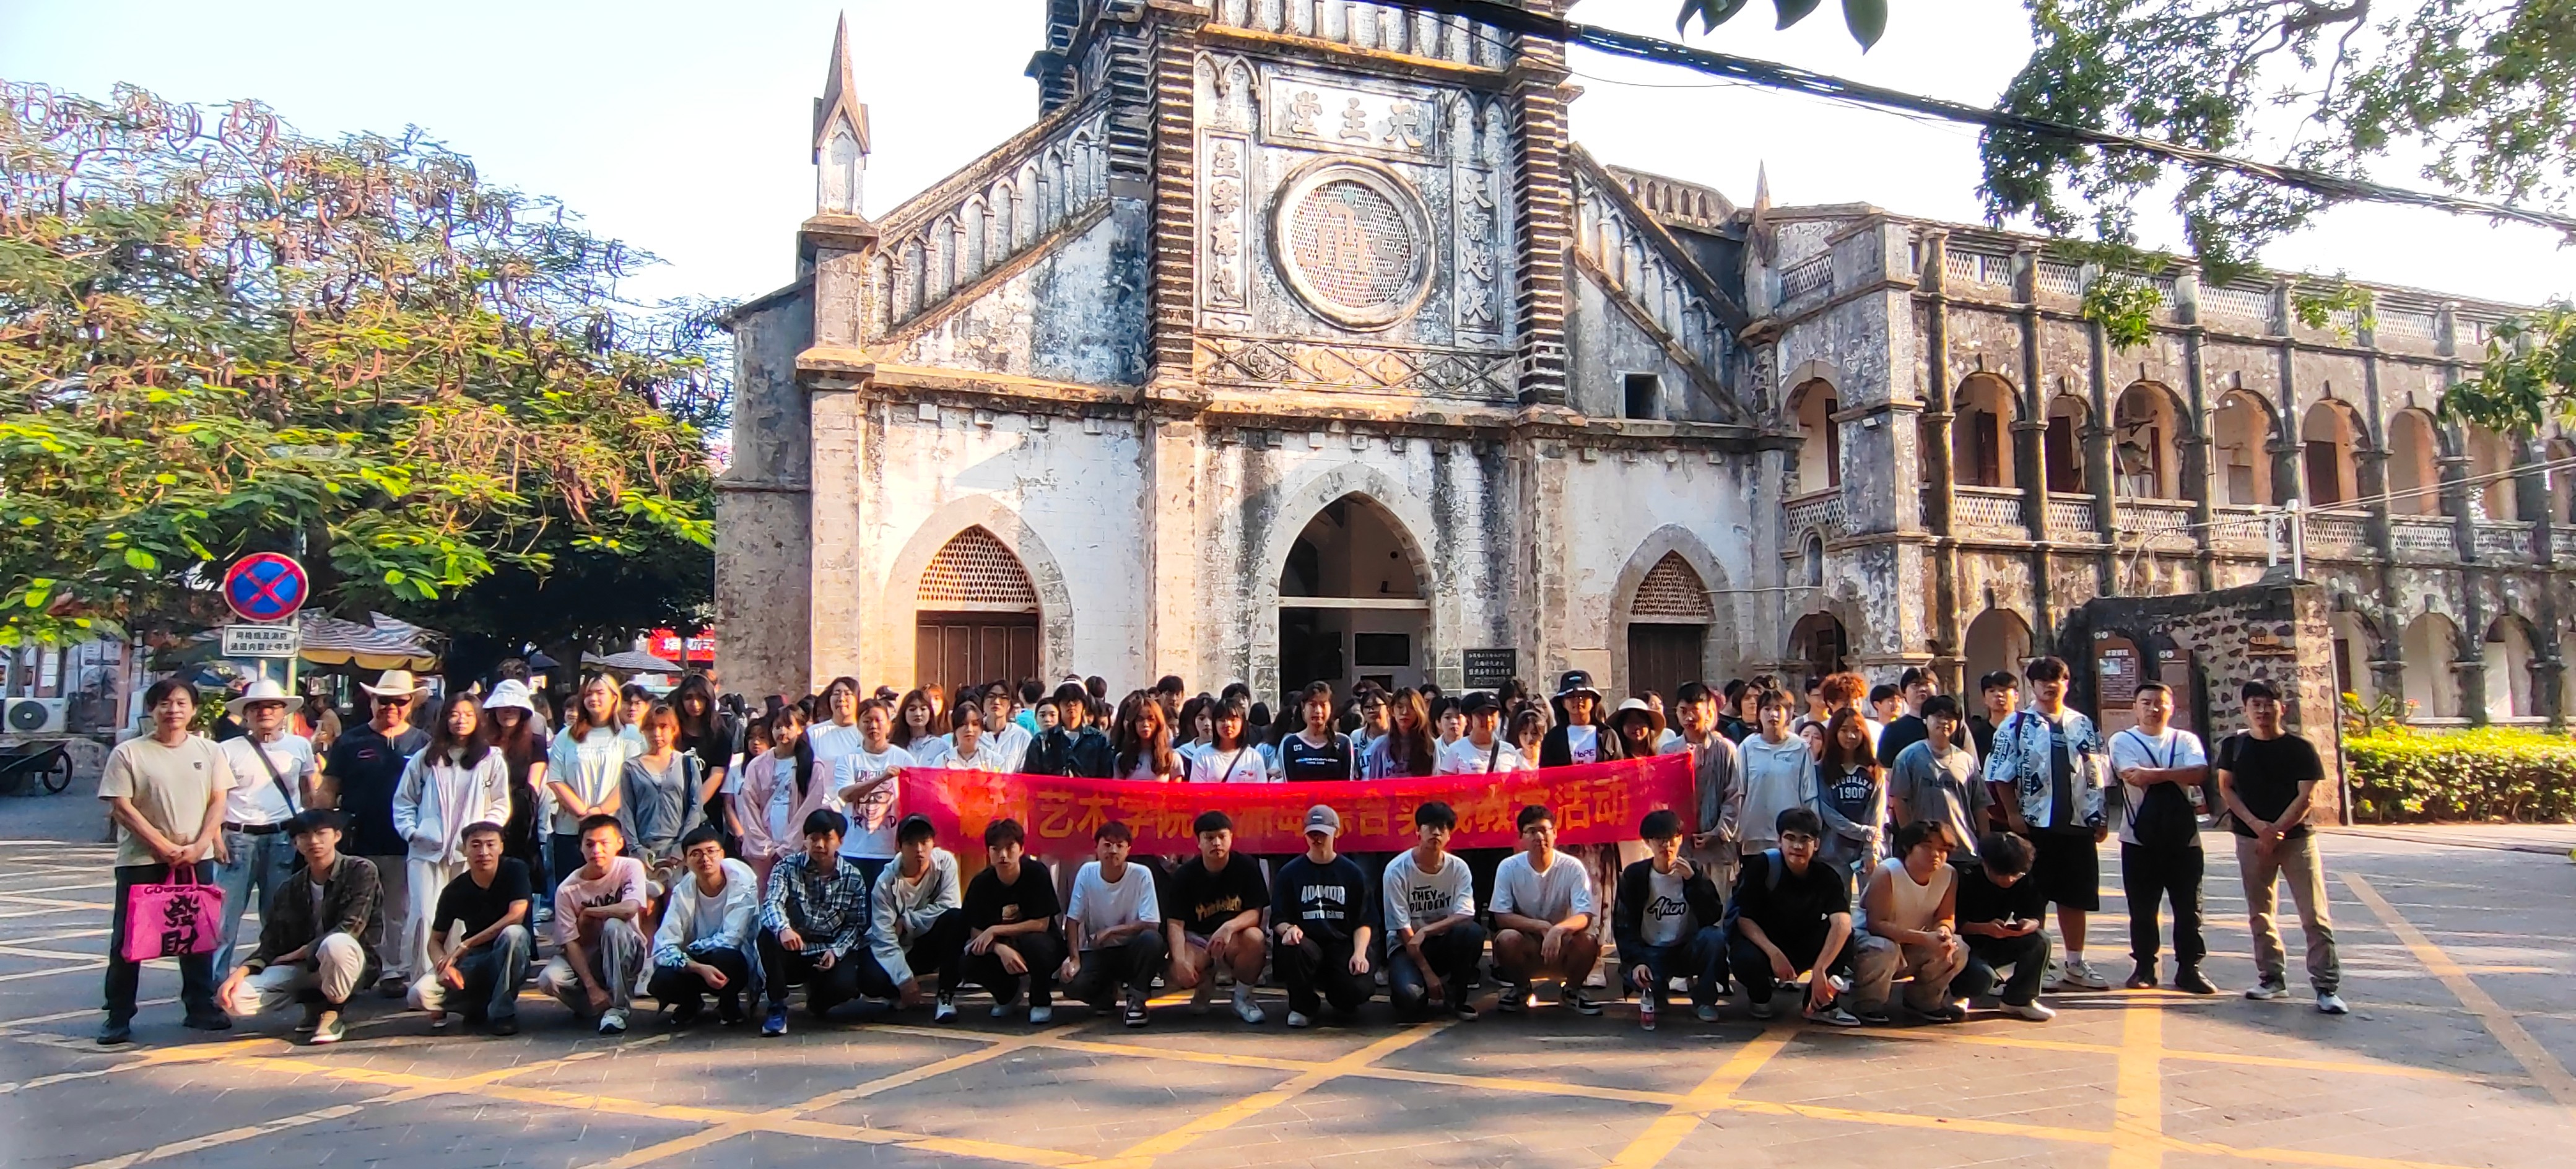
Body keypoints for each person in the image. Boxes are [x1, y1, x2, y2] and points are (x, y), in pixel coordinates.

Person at [98, 677, 236, 1044]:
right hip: (142, 859)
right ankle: (118, 1015)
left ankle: (200, 1007)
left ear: (193, 710)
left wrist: (202, 844)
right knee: (130, 939)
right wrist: (161, 844)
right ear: (152, 709)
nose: (173, 710)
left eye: (180, 703)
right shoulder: (129, 753)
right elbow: (122, 807)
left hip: (196, 859)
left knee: (197, 934)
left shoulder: (210, 752)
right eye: (164, 703)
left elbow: (218, 802)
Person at [1981, 656, 2114, 991]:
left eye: (2056, 679)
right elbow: (1999, 775)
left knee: (2076, 897)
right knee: (2033, 898)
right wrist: (2013, 814)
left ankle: (2075, 963)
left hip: (2077, 824)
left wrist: (2100, 815)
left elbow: (2098, 773)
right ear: (2033, 685)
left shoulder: (2083, 724)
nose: (2050, 685)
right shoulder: (2015, 725)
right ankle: (2036, 964)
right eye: (2042, 680)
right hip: (2033, 825)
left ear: (2066, 684)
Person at [2215, 680, 2344, 1014]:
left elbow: (2307, 797)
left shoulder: (2300, 748)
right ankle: (2271, 978)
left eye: (2268, 704)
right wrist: (2259, 827)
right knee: (2260, 912)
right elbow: (2226, 789)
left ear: (2281, 708)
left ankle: (2326, 987)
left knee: (2314, 915)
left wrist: (2277, 830)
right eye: (2255, 705)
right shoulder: (2234, 746)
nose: (2262, 711)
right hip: (2250, 839)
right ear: (2245, 710)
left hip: (2296, 839)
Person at [220, 810, 379, 1045]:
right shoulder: (290, 887)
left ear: (337, 836)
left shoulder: (360, 870)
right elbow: (271, 943)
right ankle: (313, 1005)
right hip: (306, 969)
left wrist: (302, 952)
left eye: (321, 834)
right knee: (236, 998)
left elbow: (352, 926)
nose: (314, 841)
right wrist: (241, 972)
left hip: (351, 961)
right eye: (304, 836)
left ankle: (332, 1010)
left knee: (336, 944)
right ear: (295, 843)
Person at [320, 669, 431, 996]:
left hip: (404, 841)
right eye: (384, 700)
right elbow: (329, 789)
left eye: (399, 701)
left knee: (399, 910)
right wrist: (323, 825)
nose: (391, 707)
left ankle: (394, 971)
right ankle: (353, 970)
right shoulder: (350, 741)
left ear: (411, 704)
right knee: (354, 909)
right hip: (358, 838)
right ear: (372, 701)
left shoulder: (424, 743)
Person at [391, 692, 513, 988]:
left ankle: (457, 978)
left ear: (479, 720)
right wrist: (412, 832)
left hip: (468, 854)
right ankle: (422, 978)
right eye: (455, 714)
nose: (461, 721)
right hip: (427, 851)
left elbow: (501, 803)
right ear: (444, 718)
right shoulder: (426, 758)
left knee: (460, 919)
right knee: (424, 915)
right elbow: (404, 800)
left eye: (468, 715)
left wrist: (484, 835)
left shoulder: (491, 759)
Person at [2110, 681, 2215, 994]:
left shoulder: (2186, 739)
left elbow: (2199, 773)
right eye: (2146, 702)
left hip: (2185, 839)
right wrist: (2175, 773)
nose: (2153, 709)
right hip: (2138, 839)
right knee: (2142, 908)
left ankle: (2189, 968)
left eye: (2160, 703)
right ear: (2135, 707)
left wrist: (2153, 775)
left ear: (2172, 707)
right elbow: (2132, 776)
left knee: (2189, 908)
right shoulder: (2122, 740)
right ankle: (2144, 967)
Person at [757, 809, 901, 1036]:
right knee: (767, 935)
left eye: (827, 838)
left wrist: (836, 950)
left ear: (840, 841)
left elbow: (856, 925)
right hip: (795, 947)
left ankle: (819, 999)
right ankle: (777, 1007)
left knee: (845, 987)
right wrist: (784, 929)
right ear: (805, 840)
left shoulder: (853, 877)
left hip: (829, 950)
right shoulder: (786, 867)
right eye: (813, 838)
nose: (820, 845)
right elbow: (772, 902)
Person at [213, 679, 316, 975]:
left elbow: (309, 792)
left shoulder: (300, 746)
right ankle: (215, 981)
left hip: (283, 838)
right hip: (238, 838)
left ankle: (274, 978)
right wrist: (216, 839)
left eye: (272, 706)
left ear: (284, 712)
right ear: (246, 714)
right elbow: (216, 798)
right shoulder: (227, 750)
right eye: (256, 707)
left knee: (278, 915)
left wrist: (310, 834)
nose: (265, 712)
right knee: (224, 917)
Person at [1724, 807, 1862, 1026]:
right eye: (1790, 838)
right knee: (1745, 958)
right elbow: (1745, 919)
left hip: (1801, 943)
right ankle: (1760, 997)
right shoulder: (1763, 866)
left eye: (1805, 839)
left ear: (1816, 844)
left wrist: (1820, 969)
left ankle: (1820, 1005)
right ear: (1779, 840)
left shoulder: (1826, 876)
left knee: (1844, 938)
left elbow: (1842, 923)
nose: (1797, 846)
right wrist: (1774, 954)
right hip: (1765, 945)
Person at [409, 820, 533, 1035]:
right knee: (418, 994)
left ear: (501, 847)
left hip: (511, 954)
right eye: (475, 845)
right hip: (475, 959)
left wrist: (466, 944)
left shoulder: (515, 870)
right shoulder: (454, 890)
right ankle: (473, 1004)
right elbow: (435, 940)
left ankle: (503, 1014)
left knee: (514, 934)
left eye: (490, 844)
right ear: (464, 850)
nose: (483, 852)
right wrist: (443, 966)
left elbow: (516, 916)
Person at [1615, 809, 1728, 1029]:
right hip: (1652, 951)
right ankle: (1656, 993)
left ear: (1680, 839)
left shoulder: (1693, 871)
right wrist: (1636, 961)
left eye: (1671, 838)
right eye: (1659, 839)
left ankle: (1705, 1000)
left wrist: (1693, 882)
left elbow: (1713, 914)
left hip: (1687, 948)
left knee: (1714, 938)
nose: (1666, 845)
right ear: (1647, 842)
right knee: (1646, 985)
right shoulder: (1635, 875)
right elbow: (1623, 924)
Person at [539, 814, 650, 1035]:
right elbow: (570, 943)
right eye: (589, 844)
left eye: (604, 843)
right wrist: (591, 987)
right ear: (580, 848)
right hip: (588, 955)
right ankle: (594, 1005)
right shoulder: (567, 890)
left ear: (619, 844)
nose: (597, 850)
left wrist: (590, 912)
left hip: (626, 949)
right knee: (549, 979)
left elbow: (630, 909)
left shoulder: (631, 867)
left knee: (613, 926)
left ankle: (618, 1008)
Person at [1848, 820, 1969, 1023]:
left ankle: (1924, 1000)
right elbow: (1876, 924)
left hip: (1915, 942)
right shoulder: (1888, 872)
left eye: (1942, 849)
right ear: (1908, 847)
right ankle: (1869, 1003)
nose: (1935, 854)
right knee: (1884, 948)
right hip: (1872, 941)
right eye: (1927, 847)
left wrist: (1943, 933)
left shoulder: (1949, 874)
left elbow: (1946, 917)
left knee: (1959, 948)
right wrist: (1924, 938)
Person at [1489, 804, 1603, 1015]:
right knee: (1505, 939)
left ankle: (1572, 991)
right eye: (1532, 831)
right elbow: (1502, 916)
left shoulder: (1572, 866)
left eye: (1544, 830)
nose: (1539, 837)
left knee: (1588, 941)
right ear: (1521, 838)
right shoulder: (1508, 867)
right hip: (1528, 945)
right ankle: (1521, 989)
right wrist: (1541, 927)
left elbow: (1584, 914)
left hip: (1563, 945)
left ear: (1555, 833)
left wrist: (1558, 930)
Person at [951, 819, 1064, 1023]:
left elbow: (1041, 924)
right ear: (988, 852)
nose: (1003, 855)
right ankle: (1007, 995)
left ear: (1021, 849)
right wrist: (999, 948)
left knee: (1035, 945)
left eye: (1010, 848)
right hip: (1002, 946)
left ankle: (1040, 1000)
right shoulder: (981, 883)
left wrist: (995, 930)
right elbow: (976, 931)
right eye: (996, 849)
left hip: (1041, 942)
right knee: (970, 961)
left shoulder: (1036, 873)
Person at [1164, 810, 1273, 1023]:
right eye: (1209, 838)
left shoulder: (1246, 866)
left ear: (1231, 837)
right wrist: (1179, 960)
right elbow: (1175, 922)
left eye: (1222, 837)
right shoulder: (1185, 875)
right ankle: (1205, 983)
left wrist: (1229, 927)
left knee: (1255, 938)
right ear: (1199, 842)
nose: (1217, 843)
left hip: (1232, 938)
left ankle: (1242, 998)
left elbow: (1256, 912)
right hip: (1197, 940)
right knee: (1179, 970)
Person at [648, 825, 762, 1026]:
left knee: (727, 958)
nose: (705, 859)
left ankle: (729, 1002)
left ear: (722, 854)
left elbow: (732, 939)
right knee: (661, 980)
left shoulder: (743, 885)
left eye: (711, 851)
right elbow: (663, 945)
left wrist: (690, 953)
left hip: (731, 959)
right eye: (696, 854)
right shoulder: (682, 892)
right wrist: (697, 967)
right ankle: (690, 1003)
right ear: (686, 860)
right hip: (696, 962)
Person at [1271, 806, 1374, 1028]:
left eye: (1323, 834)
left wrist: (1359, 954)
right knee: (1292, 948)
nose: (1317, 839)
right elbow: (1278, 918)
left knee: (1356, 990)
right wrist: (1289, 929)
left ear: (1336, 833)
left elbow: (1364, 921)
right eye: (1312, 834)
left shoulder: (1352, 873)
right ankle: (1303, 1006)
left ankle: (1341, 996)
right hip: (1307, 944)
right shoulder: (1290, 873)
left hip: (1341, 943)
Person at [1382, 801, 1483, 1020]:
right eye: (1430, 827)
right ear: (1418, 831)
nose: (1436, 833)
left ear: (1449, 836)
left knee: (1472, 932)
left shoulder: (1459, 868)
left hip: (1444, 942)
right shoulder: (1396, 870)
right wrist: (1428, 973)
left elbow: (1466, 914)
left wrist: (1426, 931)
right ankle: (1409, 984)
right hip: (1406, 947)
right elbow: (1403, 931)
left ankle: (1457, 997)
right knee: (1410, 999)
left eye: (1443, 828)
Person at [1061, 821, 1167, 1027]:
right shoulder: (1087, 872)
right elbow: (1073, 920)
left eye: (1119, 845)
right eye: (1107, 845)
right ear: (1097, 848)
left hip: (1131, 950)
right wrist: (1074, 959)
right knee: (1073, 983)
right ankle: (1105, 994)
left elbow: (1151, 923)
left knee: (1152, 940)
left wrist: (1111, 931)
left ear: (1129, 850)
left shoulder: (1141, 874)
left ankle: (1137, 1000)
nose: (1113, 850)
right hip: (1098, 951)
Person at [544, 674, 633, 914]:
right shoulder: (567, 735)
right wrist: (584, 814)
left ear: (614, 697)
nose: (593, 698)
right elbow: (555, 779)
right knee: (572, 901)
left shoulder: (630, 735)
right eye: (589, 694)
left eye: (600, 693)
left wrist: (600, 813)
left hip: (615, 828)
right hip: (572, 828)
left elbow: (631, 778)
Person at [1952, 831, 2056, 1020]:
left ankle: (2019, 999)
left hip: (1994, 941)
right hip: (1961, 946)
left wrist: (2028, 924)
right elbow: (1950, 923)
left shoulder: (2025, 878)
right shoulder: (1963, 877)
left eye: (2015, 875)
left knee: (2040, 940)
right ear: (1985, 864)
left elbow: (2034, 914)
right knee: (1982, 978)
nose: (2008, 880)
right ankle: (1957, 994)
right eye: (2000, 874)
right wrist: (1983, 928)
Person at [874, 814, 965, 1017]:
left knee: (956, 919)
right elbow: (884, 936)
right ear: (898, 847)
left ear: (933, 843)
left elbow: (949, 905)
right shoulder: (885, 883)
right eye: (910, 843)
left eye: (925, 842)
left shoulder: (945, 863)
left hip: (931, 941)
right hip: (902, 947)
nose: (919, 849)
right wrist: (904, 979)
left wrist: (907, 921)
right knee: (872, 979)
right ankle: (899, 992)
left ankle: (946, 994)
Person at [1886, 695, 1990, 860]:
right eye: (1938, 716)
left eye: (1950, 717)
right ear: (1925, 720)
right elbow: (1899, 801)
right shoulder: (1908, 757)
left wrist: (1985, 842)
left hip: (1964, 849)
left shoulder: (1966, 760)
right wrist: (1911, 840)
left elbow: (1980, 805)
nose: (1944, 722)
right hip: (1924, 852)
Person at [620, 703, 705, 895]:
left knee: (676, 901)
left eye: (663, 727)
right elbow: (627, 810)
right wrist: (636, 848)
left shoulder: (686, 763)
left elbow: (695, 807)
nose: (656, 733)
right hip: (645, 847)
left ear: (674, 730)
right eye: (651, 727)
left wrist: (682, 846)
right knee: (646, 903)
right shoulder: (631, 767)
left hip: (678, 847)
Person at [1673, 682, 1746, 906]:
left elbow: (1734, 796)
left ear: (1708, 712)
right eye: (1683, 711)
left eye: (1695, 711)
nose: (1689, 718)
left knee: (1717, 909)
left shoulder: (1726, 749)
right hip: (1683, 848)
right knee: (1684, 912)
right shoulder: (1669, 751)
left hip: (1718, 849)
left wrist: (1718, 832)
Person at [831, 698, 913, 887]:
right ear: (858, 725)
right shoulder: (848, 759)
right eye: (867, 721)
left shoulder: (904, 758)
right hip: (853, 849)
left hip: (890, 851)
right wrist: (883, 778)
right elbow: (846, 795)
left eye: (878, 720)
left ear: (889, 725)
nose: (873, 726)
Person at [482, 680, 550, 897]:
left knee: (518, 884)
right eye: (503, 707)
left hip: (521, 818)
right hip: (485, 812)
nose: (508, 711)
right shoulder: (482, 743)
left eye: (514, 707)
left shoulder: (536, 742)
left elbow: (533, 785)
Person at [1738, 689, 1817, 864]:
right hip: (1755, 835)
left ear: (1788, 714)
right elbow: (1739, 792)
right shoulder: (1747, 747)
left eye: (1778, 709)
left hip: (1792, 836)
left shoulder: (1800, 748)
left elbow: (1810, 793)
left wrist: (1811, 830)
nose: (1773, 714)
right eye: (1767, 709)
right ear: (1759, 714)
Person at [1816, 710, 1886, 884]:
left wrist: (1870, 849)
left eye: (1856, 730)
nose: (1851, 736)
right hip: (1833, 851)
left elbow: (1876, 812)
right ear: (1834, 732)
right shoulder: (1821, 769)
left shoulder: (1874, 770)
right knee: (1837, 898)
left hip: (1866, 850)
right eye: (1844, 730)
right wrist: (1862, 832)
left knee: (1871, 898)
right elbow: (1827, 812)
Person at [671, 674, 739, 850]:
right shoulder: (671, 731)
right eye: (689, 698)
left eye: (701, 698)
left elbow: (717, 775)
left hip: (706, 811)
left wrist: (693, 807)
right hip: (670, 808)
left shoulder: (720, 735)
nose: (695, 704)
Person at [1024, 680, 1115, 778]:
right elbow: (1030, 778)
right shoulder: (1041, 740)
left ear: (1084, 706)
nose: (1071, 704)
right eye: (1065, 700)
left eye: (1076, 701)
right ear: (1058, 706)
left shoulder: (1099, 740)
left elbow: (1106, 777)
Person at [1274, 682, 1357, 780]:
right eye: (1313, 705)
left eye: (1323, 705)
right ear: (1303, 707)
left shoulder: (1344, 743)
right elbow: (1288, 784)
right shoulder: (1290, 743)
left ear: (1331, 708)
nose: (1318, 711)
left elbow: (1348, 784)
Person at [1434, 692, 1530, 774]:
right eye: (1482, 715)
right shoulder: (1455, 750)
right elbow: (1445, 785)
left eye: (1492, 714)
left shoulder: (1509, 750)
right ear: (1469, 718)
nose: (1488, 720)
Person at [1110, 690, 1189, 781]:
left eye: (1151, 719)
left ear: (1159, 723)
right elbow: (1117, 788)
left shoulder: (1172, 758)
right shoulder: (1122, 760)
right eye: (1140, 719)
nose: (1146, 724)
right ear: (1133, 724)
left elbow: (1177, 789)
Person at [1538, 671, 1611, 767]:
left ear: (1593, 700)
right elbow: (1546, 772)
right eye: (1571, 696)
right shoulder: (1553, 738)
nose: (1578, 700)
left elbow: (1620, 770)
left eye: (1584, 695)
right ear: (1563, 703)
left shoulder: (1607, 735)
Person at [1360, 687, 1436, 780]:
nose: (1405, 712)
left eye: (1411, 707)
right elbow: (1373, 782)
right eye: (1400, 707)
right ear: (1392, 711)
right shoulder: (1380, 746)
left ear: (1419, 711)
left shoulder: (1430, 746)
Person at [1196, 697, 1272, 783]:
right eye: (1222, 720)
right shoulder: (1202, 755)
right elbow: (1197, 789)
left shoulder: (1254, 757)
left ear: (1243, 723)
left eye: (1233, 719)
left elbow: (1262, 789)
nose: (1228, 724)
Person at [981, 685, 1032, 772]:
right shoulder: (972, 735)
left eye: (1003, 698)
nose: (997, 702)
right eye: (991, 696)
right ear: (983, 704)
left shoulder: (1022, 737)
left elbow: (1026, 772)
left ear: (1009, 706)